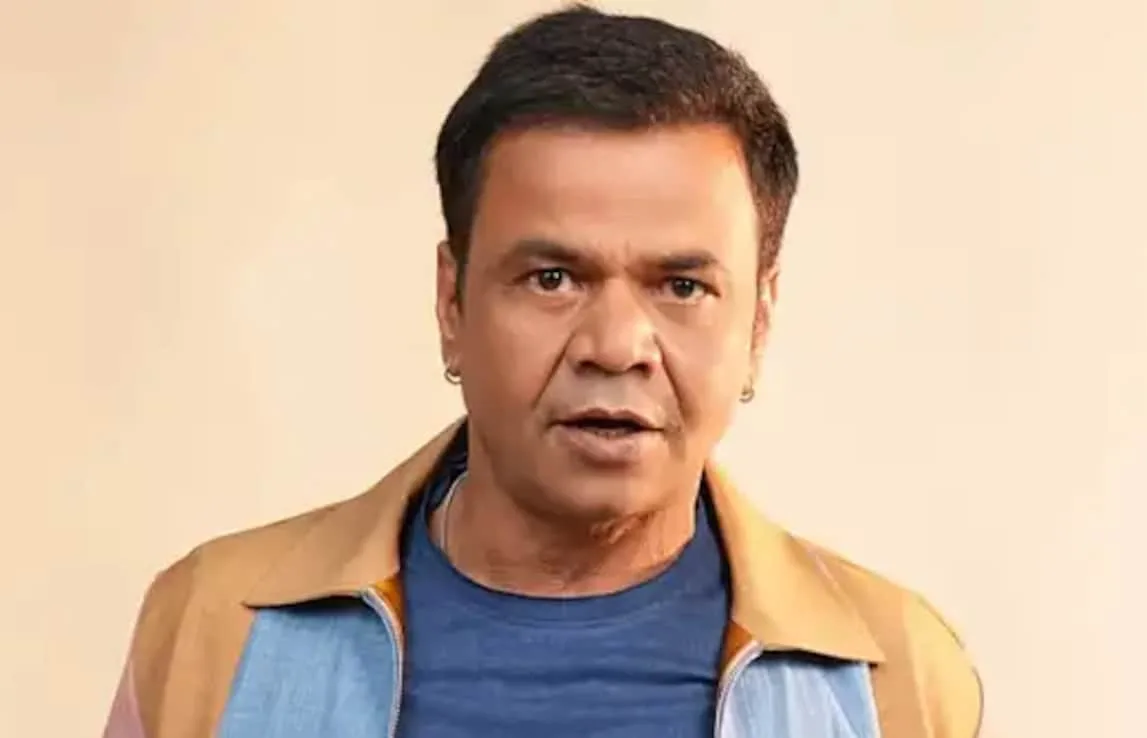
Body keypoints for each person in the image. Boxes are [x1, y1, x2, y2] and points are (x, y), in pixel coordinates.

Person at [103, 5, 982, 737]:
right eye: (553, 278)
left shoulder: (893, 682)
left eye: (682, 286)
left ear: (757, 321)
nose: (617, 345)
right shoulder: (214, 633)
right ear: (452, 303)